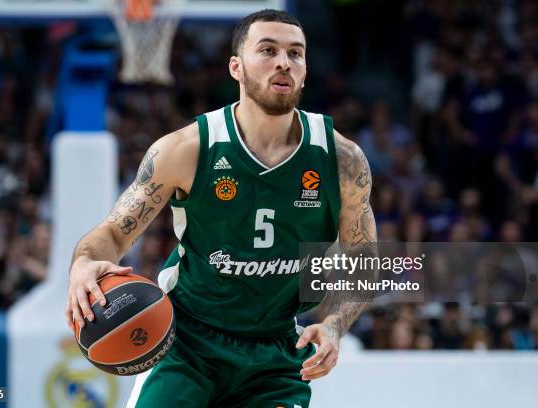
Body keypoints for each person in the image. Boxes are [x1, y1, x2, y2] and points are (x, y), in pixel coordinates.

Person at [65, 9, 376, 408]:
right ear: (236, 67)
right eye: (268, 50)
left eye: (295, 54)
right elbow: (112, 234)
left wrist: (333, 324)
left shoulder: (342, 160)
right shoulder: (185, 149)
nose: (283, 62)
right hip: (186, 343)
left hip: (276, 353)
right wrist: (84, 263)